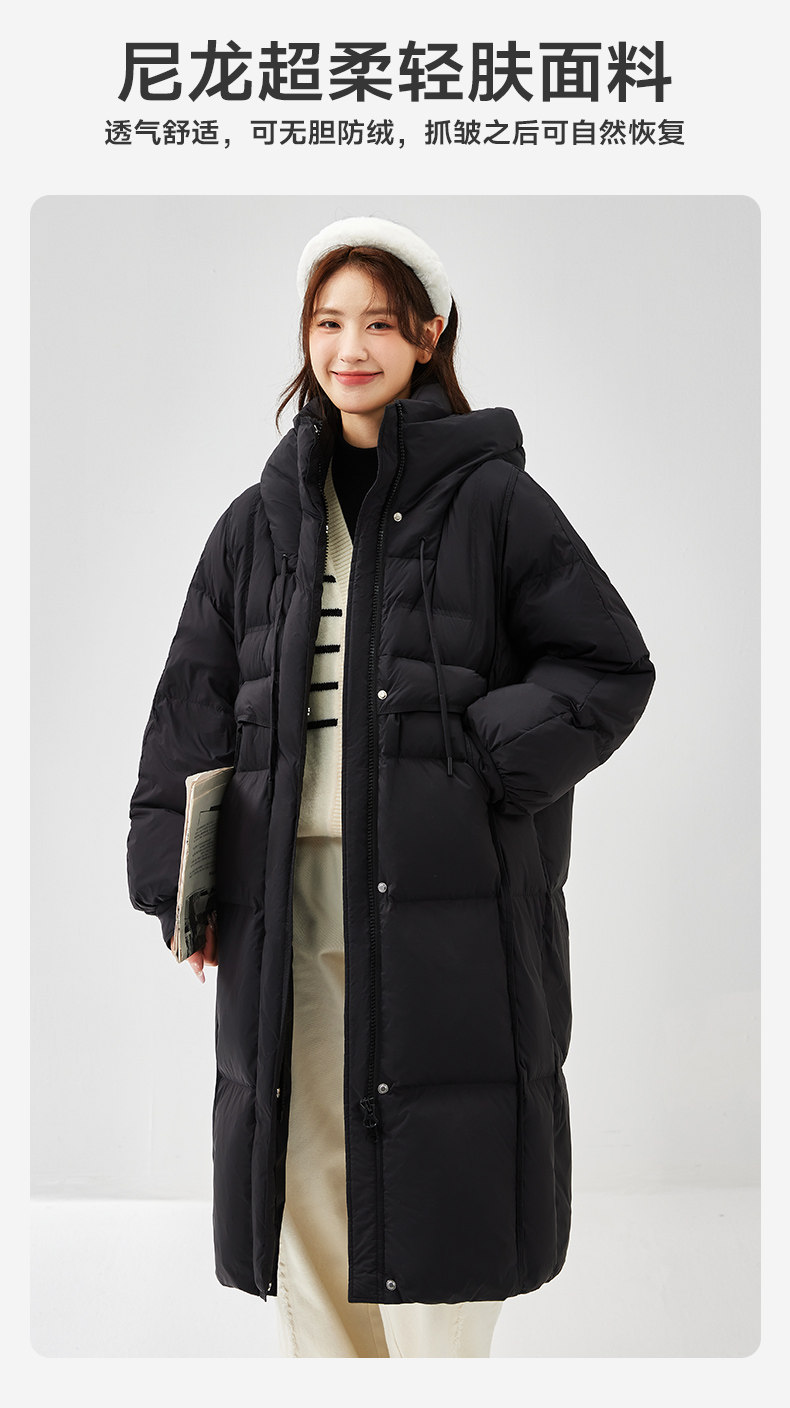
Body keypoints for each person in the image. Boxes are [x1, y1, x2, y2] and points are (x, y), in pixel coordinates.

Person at [127, 215, 656, 1357]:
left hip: (446, 895)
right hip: (281, 900)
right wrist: (181, 883)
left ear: (429, 336)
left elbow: (606, 664)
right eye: (328, 323)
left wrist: (481, 759)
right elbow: (191, 705)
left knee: (438, 1163)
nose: (350, 347)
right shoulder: (257, 523)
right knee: (305, 1159)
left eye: (377, 322)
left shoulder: (495, 502)